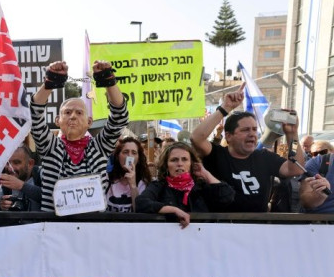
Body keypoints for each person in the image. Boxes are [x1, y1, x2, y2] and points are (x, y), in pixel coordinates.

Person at [30, 60, 129, 212]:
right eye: (67, 112)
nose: (73, 117)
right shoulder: (50, 147)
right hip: (54, 230)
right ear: (57, 121)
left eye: (79, 112)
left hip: (91, 229)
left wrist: (108, 80)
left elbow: (119, 118)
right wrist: (50, 83)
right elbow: (34, 116)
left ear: (89, 122)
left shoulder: (99, 147)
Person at [190, 83, 304, 212]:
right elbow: (196, 138)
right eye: (245, 130)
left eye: (254, 130)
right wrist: (225, 108)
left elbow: (296, 169)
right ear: (228, 136)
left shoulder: (264, 158)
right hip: (221, 228)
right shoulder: (217, 154)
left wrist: (292, 134)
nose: (252, 134)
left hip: (256, 229)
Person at [136, 142, 235, 228]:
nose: (180, 164)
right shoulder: (159, 185)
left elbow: (227, 196)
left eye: (184, 159)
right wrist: (173, 210)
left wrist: (205, 173)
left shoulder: (200, 186)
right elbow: (141, 203)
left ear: (191, 163)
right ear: (166, 165)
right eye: (174, 160)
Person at [105, 137, 151, 212]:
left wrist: (133, 185)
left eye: (134, 153)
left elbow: (140, 211)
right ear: (117, 156)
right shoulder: (107, 179)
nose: (129, 156)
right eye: (125, 152)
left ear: (138, 158)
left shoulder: (143, 183)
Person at [0, 146, 41, 211]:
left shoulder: (42, 175)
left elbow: (50, 197)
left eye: (16, 163)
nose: (10, 169)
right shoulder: (4, 186)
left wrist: (22, 186)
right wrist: (2, 208)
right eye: (7, 163)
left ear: (30, 164)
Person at [299, 140, 334, 213]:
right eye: (314, 153)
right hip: (320, 220)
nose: (318, 155)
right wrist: (319, 195)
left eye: (322, 152)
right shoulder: (315, 163)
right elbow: (305, 201)